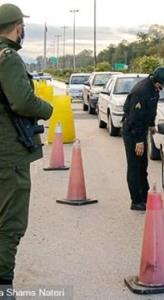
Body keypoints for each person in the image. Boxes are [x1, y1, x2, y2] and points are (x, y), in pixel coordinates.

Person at [0, 3, 53, 295]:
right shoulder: (8, 58)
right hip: (8, 156)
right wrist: (46, 108)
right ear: (18, 27)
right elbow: (21, 101)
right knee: (10, 224)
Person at [123, 67, 164, 211]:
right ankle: (136, 201)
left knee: (143, 165)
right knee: (135, 167)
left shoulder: (154, 89)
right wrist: (139, 141)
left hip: (141, 129)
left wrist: (151, 125)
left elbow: (150, 111)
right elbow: (135, 119)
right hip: (133, 132)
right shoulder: (141, 92)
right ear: (158, 82)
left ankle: (145, 196)